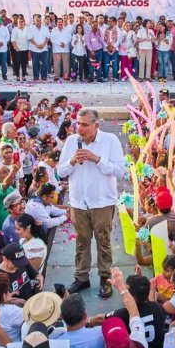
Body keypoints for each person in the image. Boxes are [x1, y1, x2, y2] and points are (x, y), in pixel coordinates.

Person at [56, 108, 125, 298]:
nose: (80, 128)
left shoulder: (110, 141)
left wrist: (96, 159)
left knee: (103, 240)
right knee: (81, 241)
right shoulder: (71, 142)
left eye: (85, 125)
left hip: (102, 201)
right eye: (78, 123)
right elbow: (60, 172)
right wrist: (71, 161)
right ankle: (82, 277)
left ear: (96, 125)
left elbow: (120, 171)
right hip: (78, 202)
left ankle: (105, 278)